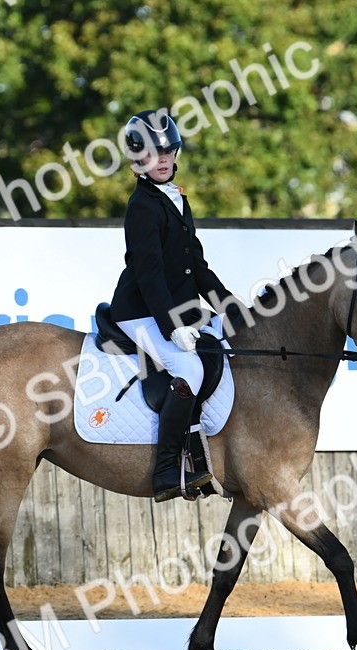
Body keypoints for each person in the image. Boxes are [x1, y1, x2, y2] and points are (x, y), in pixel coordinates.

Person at [108, 110, 238, 502]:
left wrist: (229, 306)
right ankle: (167, 471)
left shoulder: (178, 200)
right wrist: (171, 327)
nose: (162, 160)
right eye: (152, 154)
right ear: (137, 160)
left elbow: (196, 266)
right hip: (140, 311)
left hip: (176, 309)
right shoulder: (141, 206)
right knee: (189, 369)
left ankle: (200, 452)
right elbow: (149, 275)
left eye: (168, 152)